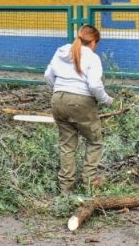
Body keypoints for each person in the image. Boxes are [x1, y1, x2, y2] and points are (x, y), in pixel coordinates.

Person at [44, 24, 114, 194]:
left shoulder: (61, 51)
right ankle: (89, 181)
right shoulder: (92, 57)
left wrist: (59, 91)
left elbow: (47, 75)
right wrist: (106, 100)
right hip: (81, 102)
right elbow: (95, 85)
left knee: (67, 145)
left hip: (57, 100)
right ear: (93, 42)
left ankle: (65, 189)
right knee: (94, 141)